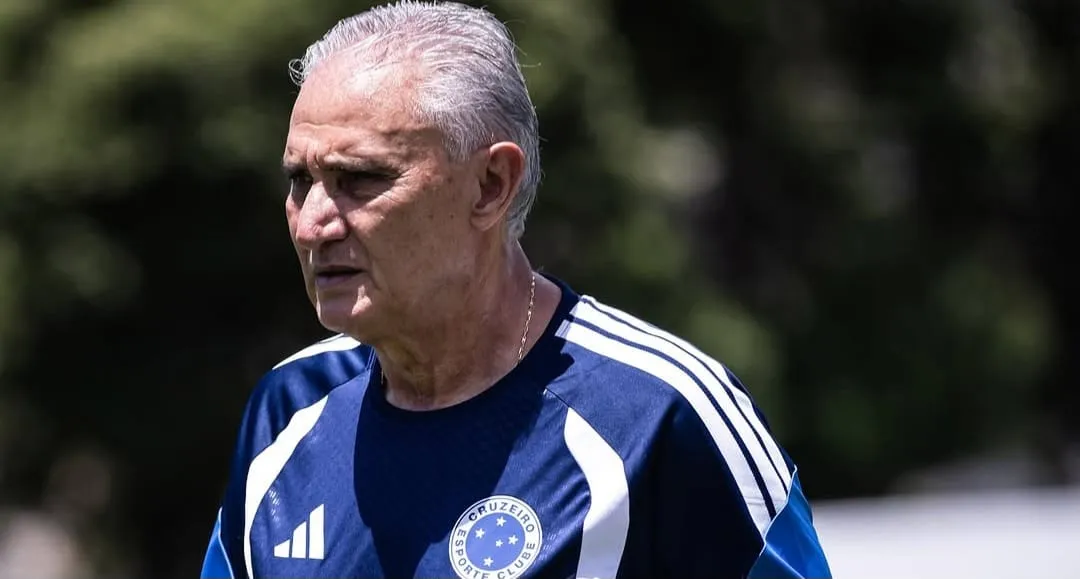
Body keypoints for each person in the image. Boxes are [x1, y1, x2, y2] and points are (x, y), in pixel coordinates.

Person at [200, 1, 831, 578]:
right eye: (299, 180)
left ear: (491, 185)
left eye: (359, 178)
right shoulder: (287, 412)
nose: (312, 223)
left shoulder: (663, 413)